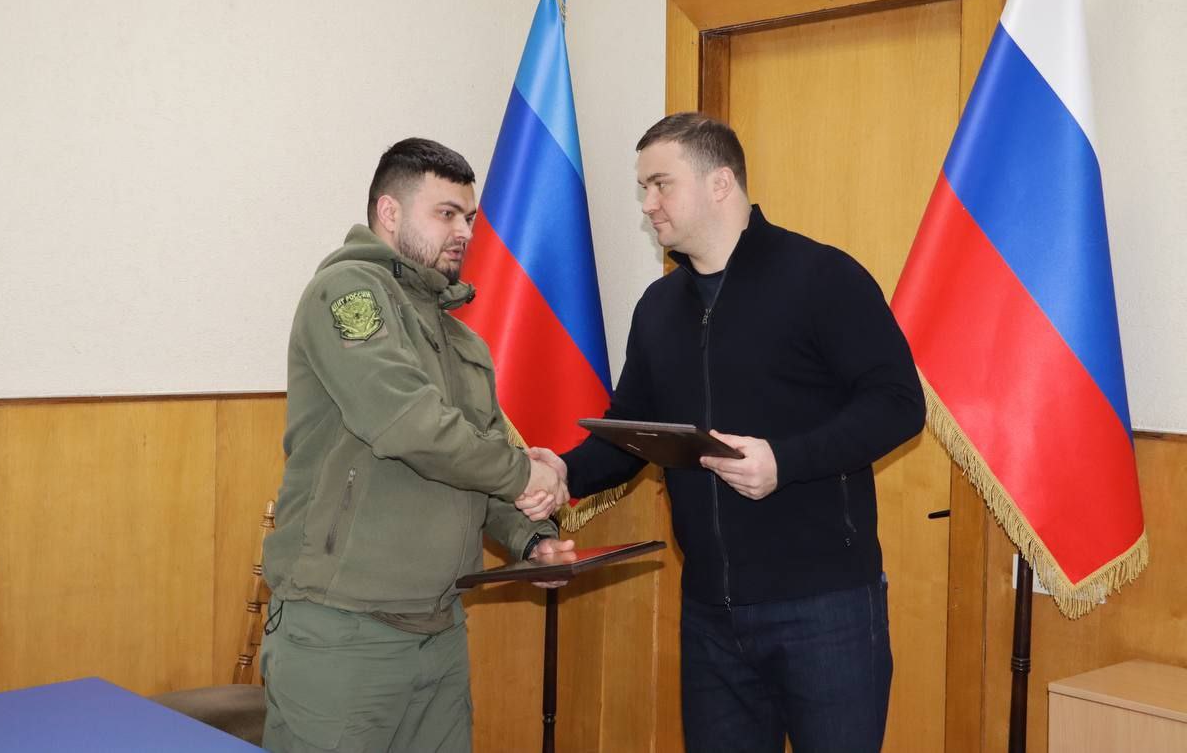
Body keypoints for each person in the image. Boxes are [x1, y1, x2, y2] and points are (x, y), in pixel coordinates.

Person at [524, 113, 925, 753]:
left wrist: (784, 462)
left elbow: (900, 405)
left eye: (661, 184)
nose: (647, 203)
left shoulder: (822, 277)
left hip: (826, 609)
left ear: (719, 183)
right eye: (643, 188)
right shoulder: (658, 308)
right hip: (710, 614)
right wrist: (564, 471)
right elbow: (632, 436)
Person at [261, 137, 573, 753]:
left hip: (441, 629)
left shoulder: (462, 341)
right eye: (446, 213)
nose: (465, 232)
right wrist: (525, 474)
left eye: (469, 217)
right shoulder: (348, 292)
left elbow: (477, 461)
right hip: (344, 632)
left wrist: (531, 538)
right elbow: (408, 424)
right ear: (390, 212)